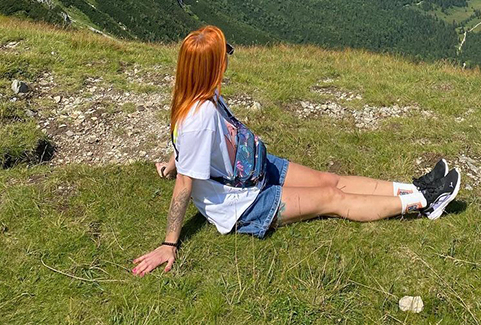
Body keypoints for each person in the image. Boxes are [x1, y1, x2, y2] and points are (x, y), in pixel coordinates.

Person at [132, 25, 461, 276]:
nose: (228, 59)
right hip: (244, 203)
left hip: (255, 169)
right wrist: (168, 243)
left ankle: (415, 187)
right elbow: (185, 185)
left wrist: (174, 162)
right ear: (210, 67)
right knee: (333, 199)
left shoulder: (196, 96)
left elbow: (188, 148)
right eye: (224, 54)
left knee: (332, 180)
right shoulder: (198, 118)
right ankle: (425, 202)